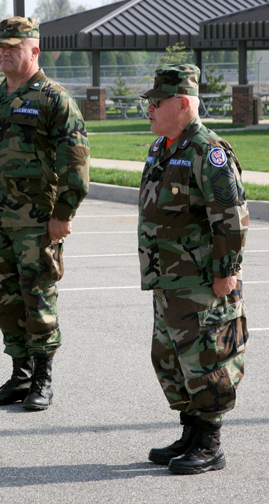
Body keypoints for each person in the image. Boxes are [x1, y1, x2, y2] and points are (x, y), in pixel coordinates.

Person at [0, 16, 90, 411]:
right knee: (5, 300)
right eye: (1, 48)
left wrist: (63, 213)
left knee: (38, 297)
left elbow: (74, 163)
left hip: (37, 222)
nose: (4, 53)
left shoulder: (54, 99)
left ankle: (42, 378)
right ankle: (19, 375)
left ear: (34, 51)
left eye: (13, 48)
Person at [138, 64, 249, 474]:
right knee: (170, 360)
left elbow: (232, 217)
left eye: (156, 101)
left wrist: (226, 272)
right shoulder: (162, 148)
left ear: (182, 103)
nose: (148, 108)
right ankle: (190, 431)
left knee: (207, 360)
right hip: (167, 280)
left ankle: (210, 442)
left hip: (202, 282)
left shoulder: (208, 150)